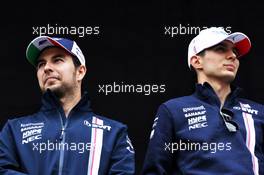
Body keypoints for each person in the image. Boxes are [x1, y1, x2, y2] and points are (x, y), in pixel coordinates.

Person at [0, 36, 135, 175]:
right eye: (41, 64)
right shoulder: (13, 130)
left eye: (57, 60)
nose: (46, 68)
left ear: (80, 72)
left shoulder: (114, 133)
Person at [141, 27, 264, 174]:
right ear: (197, 61)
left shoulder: (259, 112)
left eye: (235, 52)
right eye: (220, 49)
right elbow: (154, 170)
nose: (232, 56)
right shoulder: (173, 110)